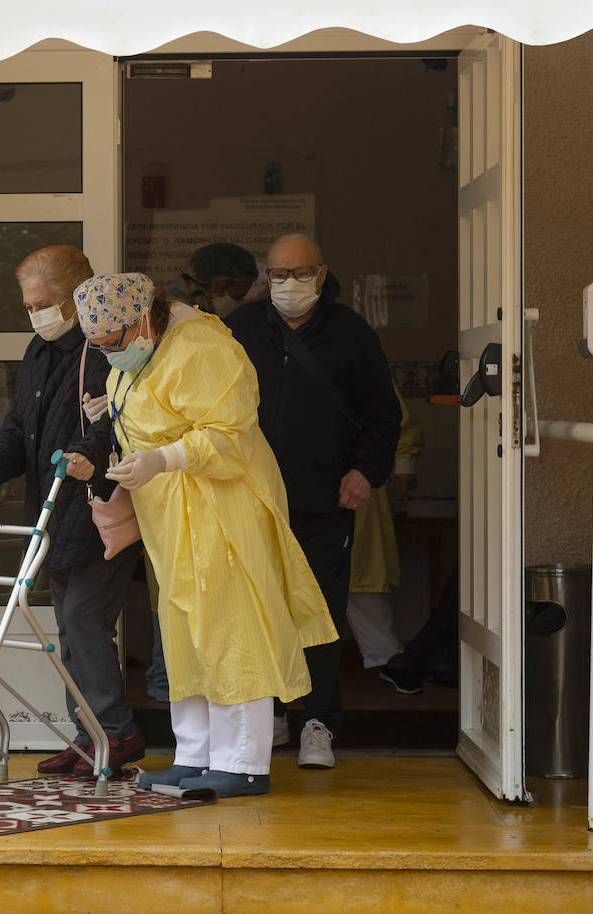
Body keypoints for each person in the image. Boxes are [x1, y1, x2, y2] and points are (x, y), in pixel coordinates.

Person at [74, 271, 335, 797]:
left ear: (142, 319)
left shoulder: (200, 345)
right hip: (171, 515)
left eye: (112, 343)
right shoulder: (138, 353)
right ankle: (194, 755)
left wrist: (163, 457)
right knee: (185, 634)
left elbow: (229, 432)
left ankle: (242, 762)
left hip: (222, 507)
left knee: (233, 628)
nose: (107, 354)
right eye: (96, 347)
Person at [224, 234, 401, 769]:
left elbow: (382, 416)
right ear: (265, 276)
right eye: (278, 274)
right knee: (258, 612)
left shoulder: (352, 335)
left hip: (325, 501)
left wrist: (364, 471)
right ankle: (271, 713)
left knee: (319, 614)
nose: (289, 284)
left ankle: (317, 723)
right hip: (251, 501)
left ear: (322, 277)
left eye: (300, 274)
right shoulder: (240, 329)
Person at [0, 245, 146, 776]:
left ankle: (116, 733)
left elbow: (117, 422)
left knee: (83, 620)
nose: (37, 315)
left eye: (44, 304)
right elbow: (19, 422)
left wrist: (87, 458)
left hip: (96, 504)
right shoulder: (39, 350)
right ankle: (89, 734)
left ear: (76, 298)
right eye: (29, 306)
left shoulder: (102, 348)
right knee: (72, 629)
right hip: (52, 510)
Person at [347, 387, 423, 692]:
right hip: (297, 485)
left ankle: (391, 659)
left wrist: (404, 464)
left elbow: (393, 416)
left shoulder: (357, 354)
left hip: (357, 479)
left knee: (363, 574)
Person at [168, 242, 260, 318]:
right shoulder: (179, 313)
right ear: (219, 285)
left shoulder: (196, 305)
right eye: (238, 296)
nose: (240, 303)